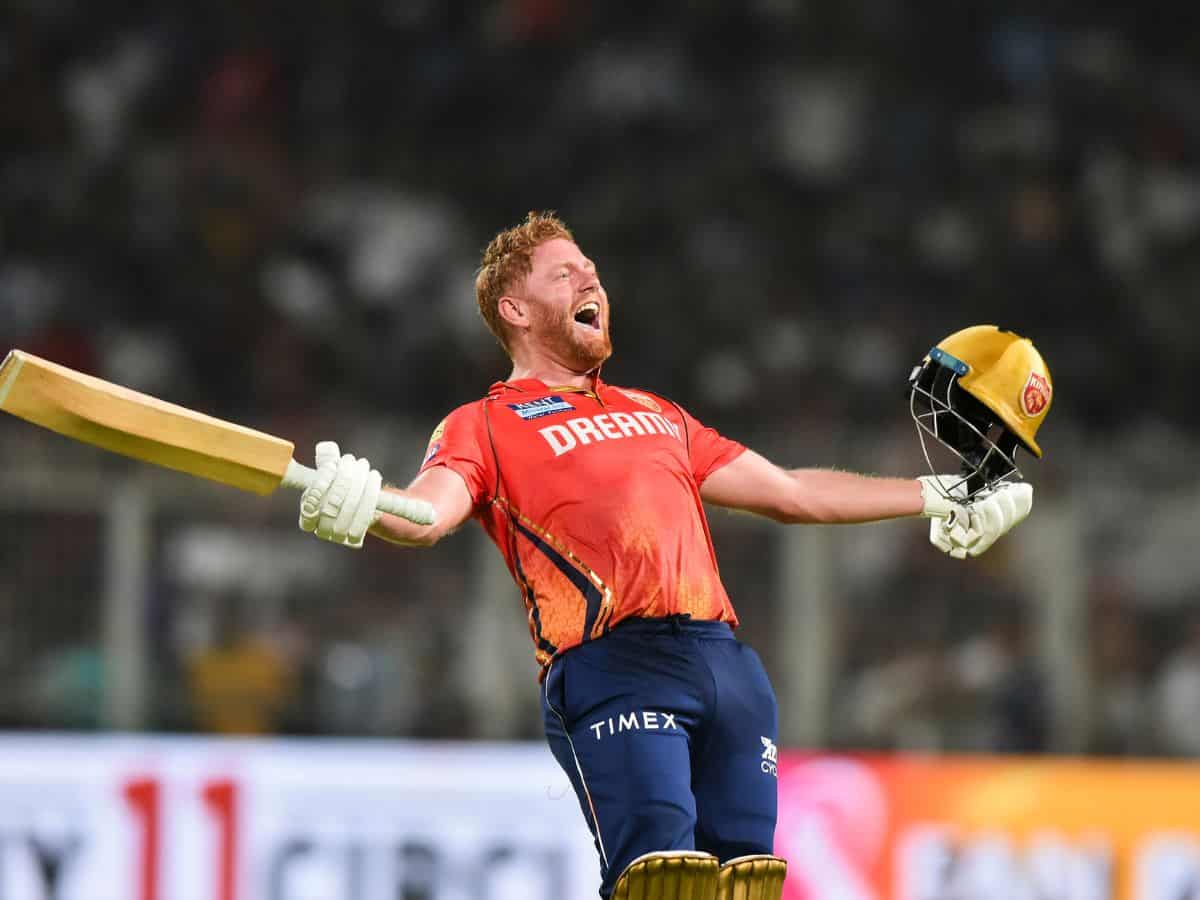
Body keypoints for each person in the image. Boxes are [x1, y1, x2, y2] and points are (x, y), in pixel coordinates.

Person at [294, 212, 1040, 899]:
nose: (590, 281)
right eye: (564, 274)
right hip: (612, 668)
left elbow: (790, 492)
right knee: (662, 884)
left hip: (726, 666)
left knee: (745, 884)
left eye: (592, 270)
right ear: (515, 311)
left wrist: (938, 493)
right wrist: (368, 504)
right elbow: (428, 512)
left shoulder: (657, 415)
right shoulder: (485, 423)